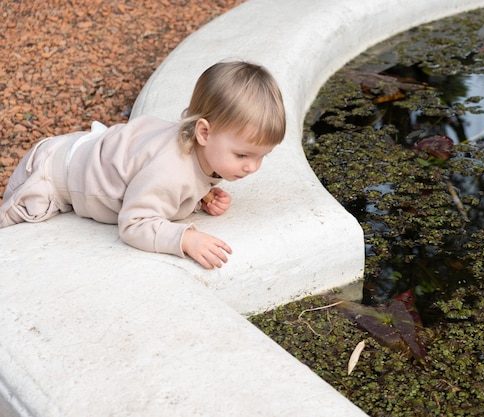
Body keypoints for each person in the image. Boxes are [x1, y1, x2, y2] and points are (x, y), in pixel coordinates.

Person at [0, 61, 286, 269]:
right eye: (242, 156)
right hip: (49, 175)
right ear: (204, 133)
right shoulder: (169, 171)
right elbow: (134, 224)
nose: (253, 167)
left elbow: (155, 180)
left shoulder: (199, 150)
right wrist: (185, 239)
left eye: (263, 156)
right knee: (7, 231)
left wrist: (200, 196)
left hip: (83, 151)